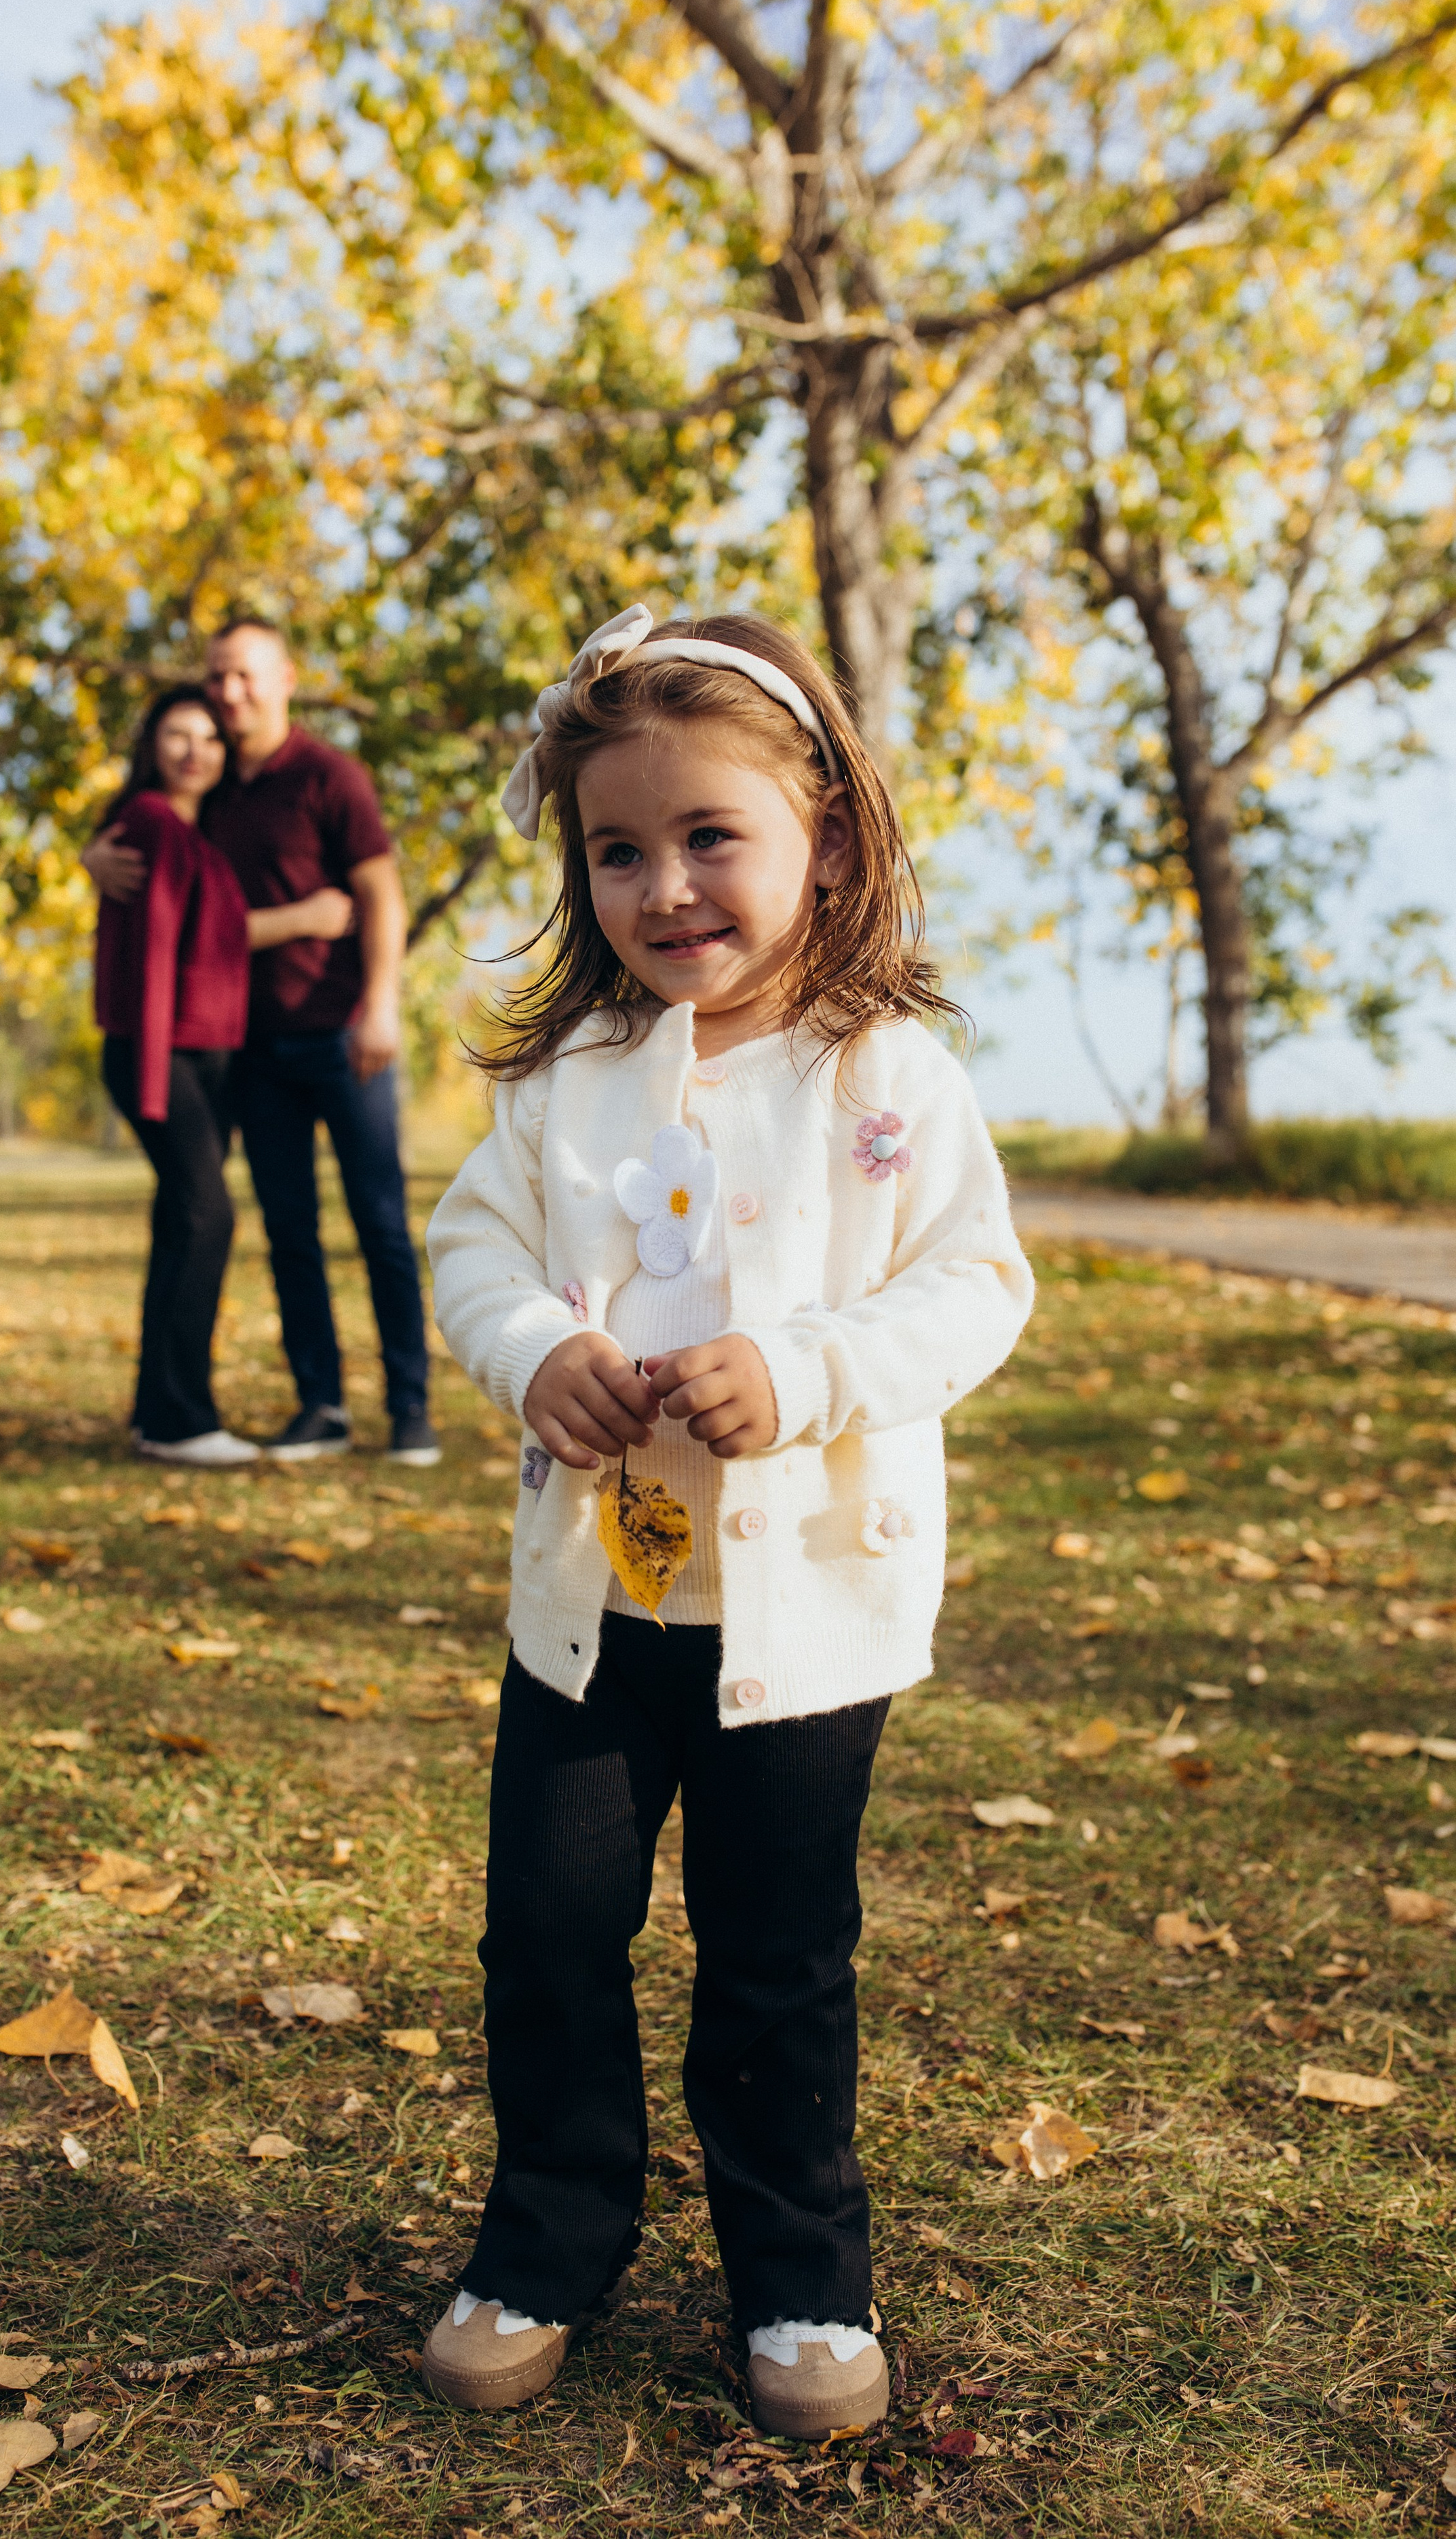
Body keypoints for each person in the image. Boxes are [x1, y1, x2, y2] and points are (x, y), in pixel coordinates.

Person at [423, 609, 1034, 2437]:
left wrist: (814, 1368)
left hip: (810, 1633)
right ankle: (547, 2240)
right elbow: (476, 1250)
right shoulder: (561, 1084)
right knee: (548, 1925)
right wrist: (536, 1350)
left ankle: (800, 2282)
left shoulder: (889, 1084)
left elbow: (975, 1285)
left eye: (712, 838)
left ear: (825, 841)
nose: (665, 885)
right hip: (593, 1617)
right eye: (619, 848)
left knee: (778, 1956)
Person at [85, 617, 438, 1467]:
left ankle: (409, 1410)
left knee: (380, 1223)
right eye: (215, 679)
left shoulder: (329, 776)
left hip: (343, 1036)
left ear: (286, 677)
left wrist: (382, 1003)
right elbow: (174, 897)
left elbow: (381, 896)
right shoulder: (207, 794)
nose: (227, 694)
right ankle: (321, 1405)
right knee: (289, 1232)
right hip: (251, 1050)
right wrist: (92, 854)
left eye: (242, 677)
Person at [94, 683, 357, 1467]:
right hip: (159, 1046)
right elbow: (187, 943)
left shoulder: (190, 827)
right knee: (208, 1215)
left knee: (183, 1221)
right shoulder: (149, 822)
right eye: (177, 735)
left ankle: (160, 1414)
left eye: (209, 738)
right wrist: (309, 918)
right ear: (151, 745)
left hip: (204, 1052)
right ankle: (180, 1421)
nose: (195, 751)